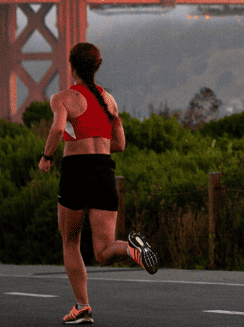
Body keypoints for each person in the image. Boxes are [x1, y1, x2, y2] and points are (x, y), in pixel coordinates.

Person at [38, 42, 160, 325]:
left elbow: (57, 128)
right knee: (104, 251)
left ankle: (82, 306)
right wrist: (98, 144)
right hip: (104, 172)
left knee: (71, 241)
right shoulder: (109, 100)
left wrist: (46, 157)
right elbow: (120, 143)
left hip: (76, 172)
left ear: (71, 67)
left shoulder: (63, 98)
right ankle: (132, 249)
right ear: (97, 66)